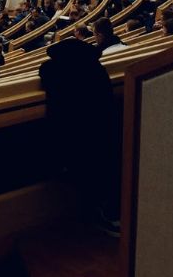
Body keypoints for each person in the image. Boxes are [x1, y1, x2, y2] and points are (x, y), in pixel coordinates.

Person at [38, 36, 118, 233]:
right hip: (104, 135)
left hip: (70, 141)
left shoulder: (53, 71)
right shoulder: (97, 70)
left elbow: (45, 71)